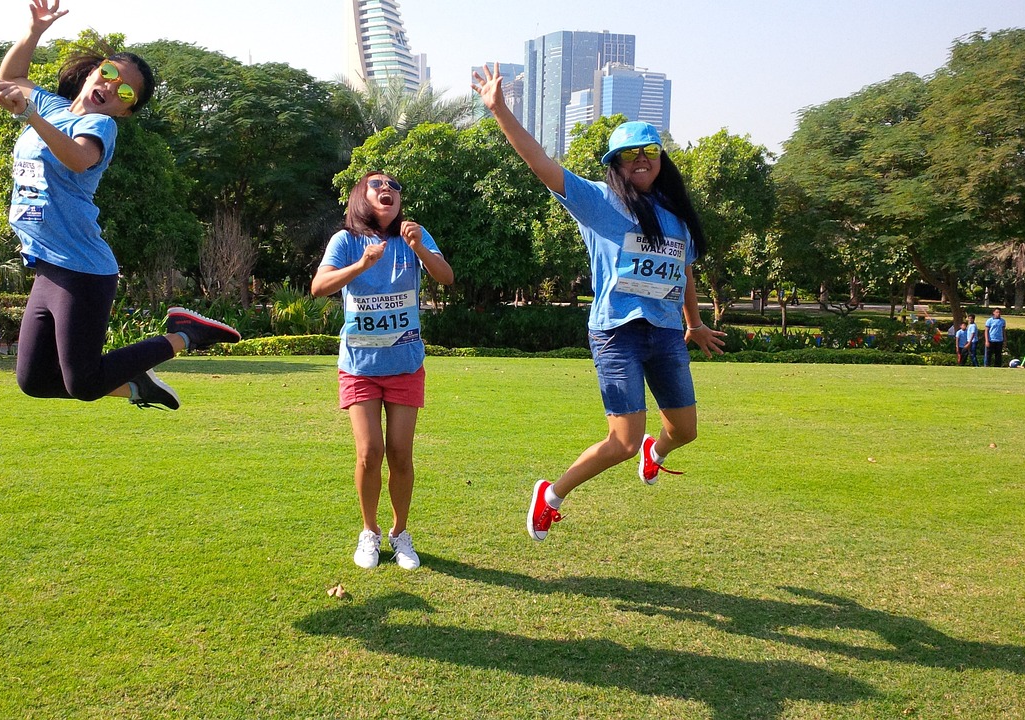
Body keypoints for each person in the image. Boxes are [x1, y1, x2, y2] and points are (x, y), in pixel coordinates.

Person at [472, 64, 727, 542]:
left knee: (686, 430)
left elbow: (684, 271)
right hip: (617, 333)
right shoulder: (599, 202)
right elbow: (541, 165)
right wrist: (500, 109)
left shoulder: (677, 218)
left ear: (661, 159)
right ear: (616, 163)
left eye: (649, 151)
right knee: (623, 442)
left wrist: (693, 322)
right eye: (629, 154)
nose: (641, 160)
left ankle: (660, 452)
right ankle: (551, 494)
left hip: (667, 334)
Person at [0, 0, 238, 410]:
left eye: (124, 92)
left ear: (125, 110)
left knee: (83, 382)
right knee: (34, 380)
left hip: (81, 268)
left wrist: (29, 113)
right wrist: (34, 33)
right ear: (94, 71)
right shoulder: (51, 106)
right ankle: (138, 387)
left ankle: (187, 333)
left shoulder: (98, 125)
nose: (111, 87)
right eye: (110, 73)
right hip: (48, 264)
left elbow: (79, 158)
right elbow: (9, 76)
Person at [311, 171, 454, 569]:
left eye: (394, 186)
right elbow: (319, 287)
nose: (387, 189)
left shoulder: (414, 237)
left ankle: (400, 533)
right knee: (369, 451)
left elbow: (447, 277)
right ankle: (369, 532)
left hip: (405, 364)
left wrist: (421, 249)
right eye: (377, 184)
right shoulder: (346, 240)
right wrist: (361, 264)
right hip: (360, 366)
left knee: (401, 454)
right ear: (362, 196)